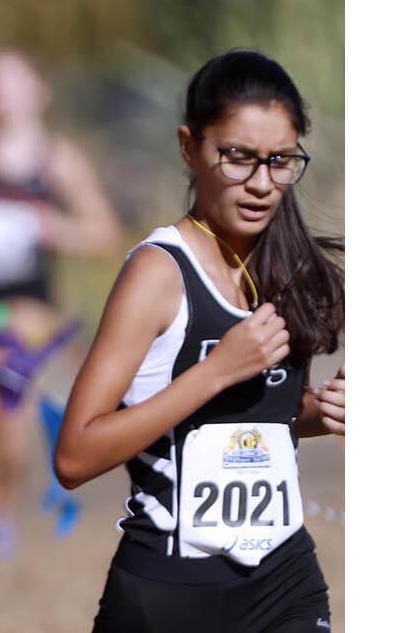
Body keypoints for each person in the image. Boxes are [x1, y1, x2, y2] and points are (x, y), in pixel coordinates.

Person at [53, 49, 345, 632]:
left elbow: (251, 425)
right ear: (190, 147)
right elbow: (75, 456)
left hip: (283, 583)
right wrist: (217, 370)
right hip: (167, 595)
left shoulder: (286, 267)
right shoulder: (159, 273)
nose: (262, 183)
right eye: (238, 157)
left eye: (281, 161)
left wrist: (323, 410)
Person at [0, 49, 121, 559]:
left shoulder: (57, 160)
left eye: (14, 81)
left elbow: (104, 234)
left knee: (9, 416)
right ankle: (0, 479)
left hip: (30, 312)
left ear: (39, 91)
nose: (3, 92)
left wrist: (50, 227)